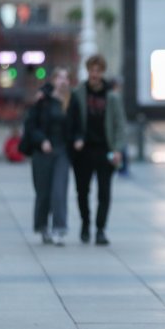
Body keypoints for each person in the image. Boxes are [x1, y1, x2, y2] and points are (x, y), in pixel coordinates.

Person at [68, 55, 127, 245]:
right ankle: (86, 223)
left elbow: (120, 124)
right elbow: (73, 120)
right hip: (83, 151)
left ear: (102, 72)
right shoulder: (78, 93)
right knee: (82, 191)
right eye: (92, 70)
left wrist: (117, 149)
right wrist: (76, 139)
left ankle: (101, 228)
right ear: (87, 71)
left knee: (104, 192)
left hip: (104, 150)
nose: (94, 74)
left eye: (98, 71)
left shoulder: (112, 96)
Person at [25, 68, 72, 246]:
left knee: (59, 191)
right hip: (42, 152)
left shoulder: (70, 101)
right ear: (53, 80)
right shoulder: (42, 100)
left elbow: (75, 125)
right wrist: (41, 140)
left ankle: (59, 228)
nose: (63, 81)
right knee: (43, 192)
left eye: (66, 78)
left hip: (62, 151)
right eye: (59, 77)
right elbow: (31, 125)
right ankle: (42, 226)